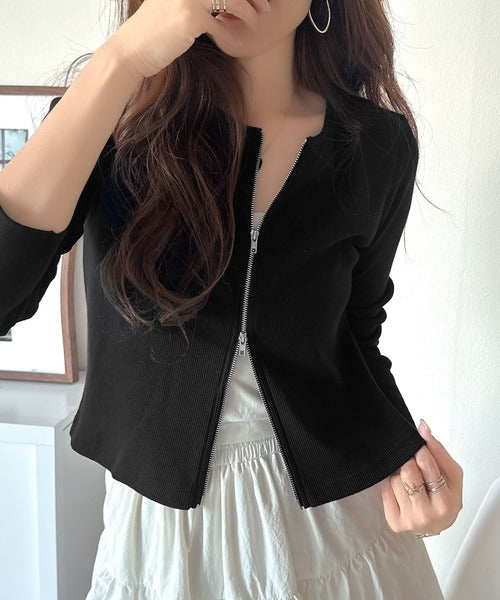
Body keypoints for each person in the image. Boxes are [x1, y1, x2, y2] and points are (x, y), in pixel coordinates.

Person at [0, 0, 464, 598]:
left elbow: (357, 335)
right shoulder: (114, 120)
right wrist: (123, 58)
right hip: (164, 548)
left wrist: (411, 469)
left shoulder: (379, 145)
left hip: (344, 539)